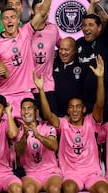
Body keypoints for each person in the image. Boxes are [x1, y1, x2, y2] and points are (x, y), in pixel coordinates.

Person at [34, 55, 108, 193]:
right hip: (71, 174)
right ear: (67, 110)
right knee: (68, 188)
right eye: (71, 107)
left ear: (84, 109)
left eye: (78, 107)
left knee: (104, 189)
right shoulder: (63, 124)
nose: (75, 110)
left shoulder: (90, 122)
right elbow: (49, 115)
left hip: (93, 173)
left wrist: (100, 78)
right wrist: (41, 90)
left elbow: (99, 104)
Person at [0, 0, 58, 118]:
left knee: (27, 134)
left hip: (25, 93)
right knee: (7, 135)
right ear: (2, 22)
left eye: (13, 17)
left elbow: (42, 13)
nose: (9, 21)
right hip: (4, 94)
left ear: (17, 19)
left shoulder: (26, 31)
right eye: (6, 18)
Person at [14, 98, 62, 193]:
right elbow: (18, 152)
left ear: (36, 112)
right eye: (23, 108)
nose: (26, 111)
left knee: (54, 189)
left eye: (29, 108)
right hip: (30, 174)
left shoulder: (48, 127)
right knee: (28, 190)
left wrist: (38, 136)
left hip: (50, 172)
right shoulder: (18, 131)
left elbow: (54, 146)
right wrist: (24, 136)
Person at [30, 0, 61, 114]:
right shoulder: (25, 31)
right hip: (30, 88)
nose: (43, 11)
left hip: (48, 86)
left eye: (45, 8)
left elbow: (63, 45)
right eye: (39, 9)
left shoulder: (53, 29)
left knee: (52, 122)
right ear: (32, 11)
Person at [76, 14, 108, 115]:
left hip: (104, 104)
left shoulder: (104, 41)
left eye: (90, 25)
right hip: (84, 106)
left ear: (99, 27)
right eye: (84, 25)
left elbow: (106, 18)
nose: (86, 28)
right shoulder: (78, 43)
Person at [53, 37, 85, 116]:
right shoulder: (54, 63)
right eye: (61, 49)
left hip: (75, 116)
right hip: (56, 115)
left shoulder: (82, 67)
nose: (63, 53)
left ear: (74, 51)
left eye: (66, 50)